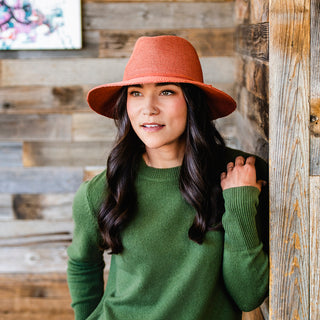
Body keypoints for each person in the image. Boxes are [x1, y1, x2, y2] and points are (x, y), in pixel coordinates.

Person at [67, 35, 269, 320]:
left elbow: (248, 294)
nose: (148, 107)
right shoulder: (101, 191)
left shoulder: (240, 175)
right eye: (135, 93)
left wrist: (239, 204)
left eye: (166, 92)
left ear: (192, 101)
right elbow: (82, 263)